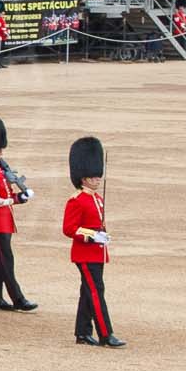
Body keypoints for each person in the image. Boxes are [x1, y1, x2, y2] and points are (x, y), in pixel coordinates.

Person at [62, 136, 122, 347]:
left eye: (98, 176)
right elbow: (68, 229)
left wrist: (102, 235)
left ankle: (82, 332)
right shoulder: (76, 200)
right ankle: (105, 333)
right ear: (83, 177)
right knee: (96, 291)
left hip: (97, 251)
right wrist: (91, 235)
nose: (97, 179)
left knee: (88, 291)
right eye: (93, 176)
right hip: (84, 253)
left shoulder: (96, 198)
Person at [0, 118, 36, 312]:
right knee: (6, 259)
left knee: (0, 258)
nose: (0, 151)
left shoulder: (1, 169)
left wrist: (21, 197)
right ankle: (17, 297)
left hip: (6, 218)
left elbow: (7, 195)